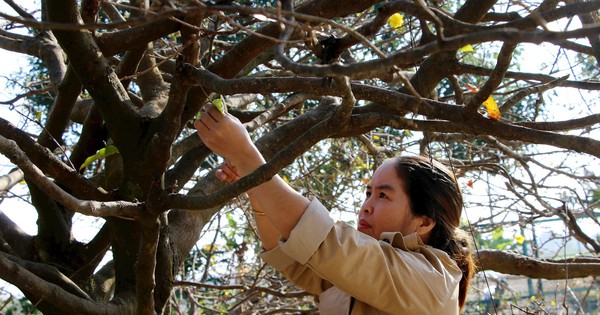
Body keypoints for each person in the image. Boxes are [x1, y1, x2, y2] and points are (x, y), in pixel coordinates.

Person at [194, 103, 475, 314]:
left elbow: (327, 243)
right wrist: (254, 183)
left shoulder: (434, 280)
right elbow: (293, 257)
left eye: (383, 196)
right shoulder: (356, 271)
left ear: (424, 222)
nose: (366, 207)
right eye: (368, 193)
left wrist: (246, 154)